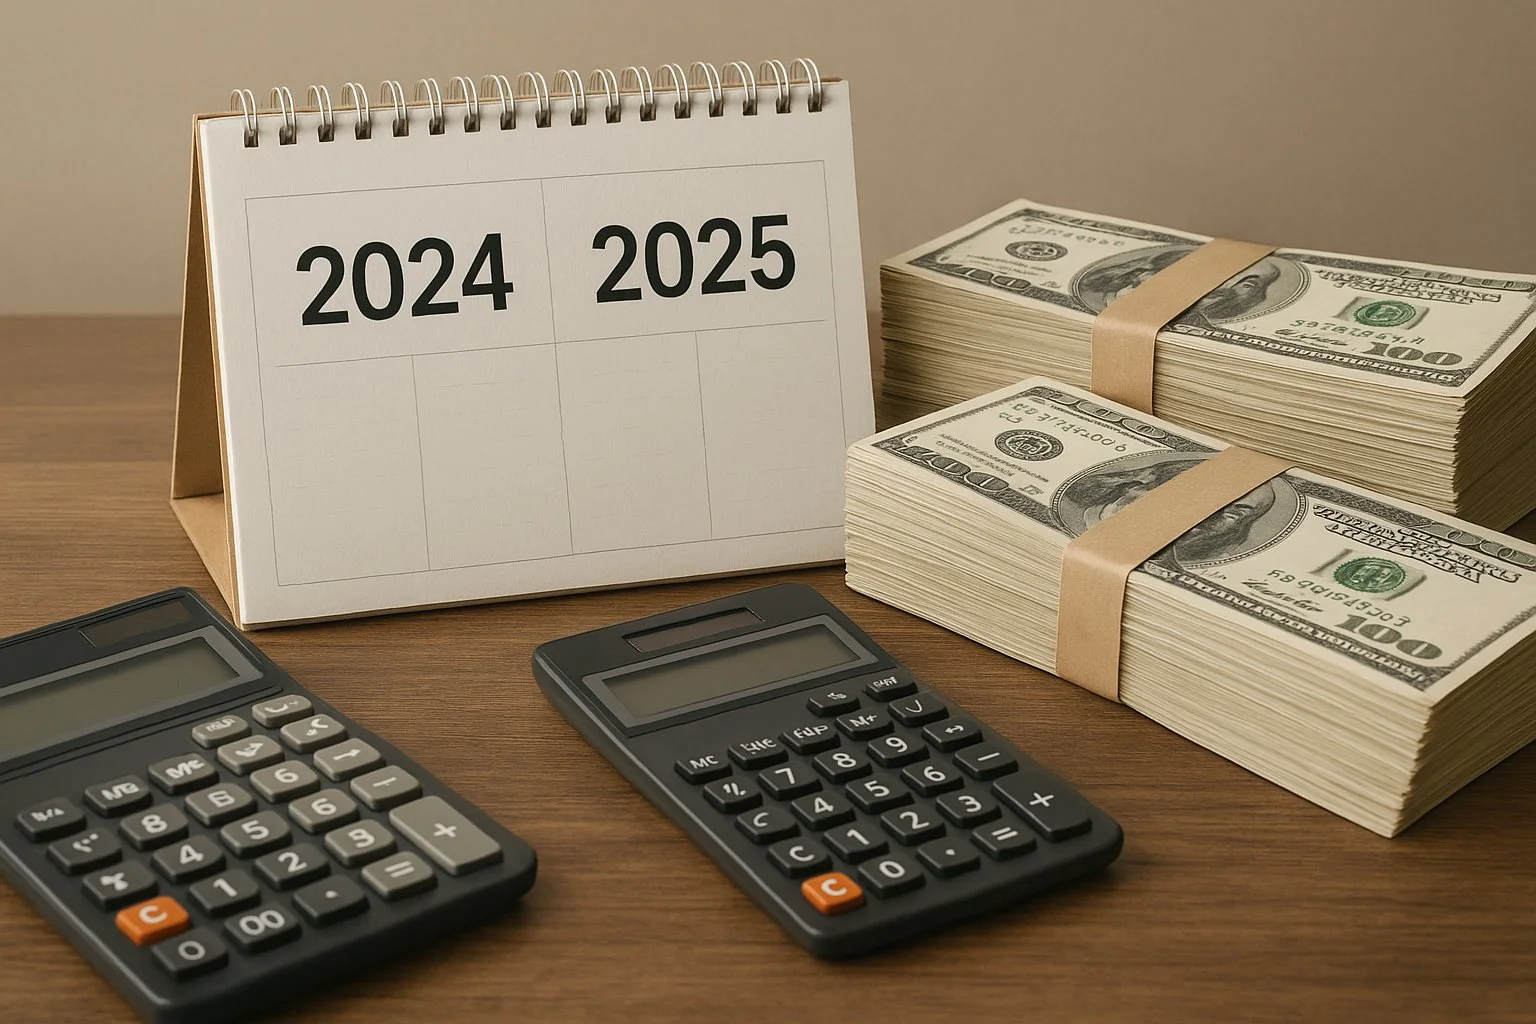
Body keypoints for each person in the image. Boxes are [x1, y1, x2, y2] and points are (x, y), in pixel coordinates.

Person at [1071, 460, 1278, 562]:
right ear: (1139, 487)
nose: (1211, 513)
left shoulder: (1204, 557)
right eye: (1203, 496)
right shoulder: (1075, 512)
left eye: (1236, 513)